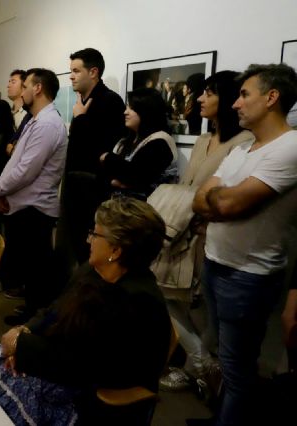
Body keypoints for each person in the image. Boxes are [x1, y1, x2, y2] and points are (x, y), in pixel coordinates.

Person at [0, 197, 171, 425]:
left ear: (115, 249)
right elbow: (56, 308)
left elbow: (86, 364)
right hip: (58, 365)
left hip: (84, 395)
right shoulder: (95, 271)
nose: (88, 239)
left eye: (95, 234)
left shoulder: (136, 301)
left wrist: (21, 347)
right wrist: (23, 330)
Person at [192, 63, 297, 426]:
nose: (235, 104)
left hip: (248, 275)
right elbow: (200, 200)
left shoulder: (291, 147)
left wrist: (217, 200)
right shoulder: (244, 150)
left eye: (244, 94)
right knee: (221, 355)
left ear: (272, 98)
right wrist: (217, 201)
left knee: (238, 371)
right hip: (216, 262)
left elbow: (226, 203)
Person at [149, 71, 254, 392]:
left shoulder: (243, 144)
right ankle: (200, 363)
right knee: (168, 295)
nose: (200, 98)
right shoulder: (204, 140)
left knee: (203, 308)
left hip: (212, 234)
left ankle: (206, 371)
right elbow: (189, 187)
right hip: (182, 230)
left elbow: (226, 194)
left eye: (209, 93)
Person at [0, 68, 67, 325]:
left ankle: (35, 320)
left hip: (35, 208)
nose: (21, 92)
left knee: (37, 269)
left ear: (38, 89)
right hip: (23, 204)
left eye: (25, 86)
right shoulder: (36, 120)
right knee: (31, 269)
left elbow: (25, 171)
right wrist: (2, 192)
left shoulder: (47, 124)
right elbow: (16, 164)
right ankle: (31, 312)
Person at [55, 48, 126, 292]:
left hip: (92, 191)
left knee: (90, 254)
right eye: (71, 71)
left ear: (93, 72)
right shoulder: (82, 102)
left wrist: (82, 119)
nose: (71, 77)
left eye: (76, 71)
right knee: (71, 250)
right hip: (76, 187)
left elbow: (101, 149)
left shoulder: (109, 101)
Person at [99, 87, 177, 199]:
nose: (125, 112)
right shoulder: (125, 141)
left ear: (146, 111)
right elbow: (103, 174)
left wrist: (107, 157)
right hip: (118, 209)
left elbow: (137, 176)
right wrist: (115, 181)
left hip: (145, 211)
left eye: (132, 108)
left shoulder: (160, 141)